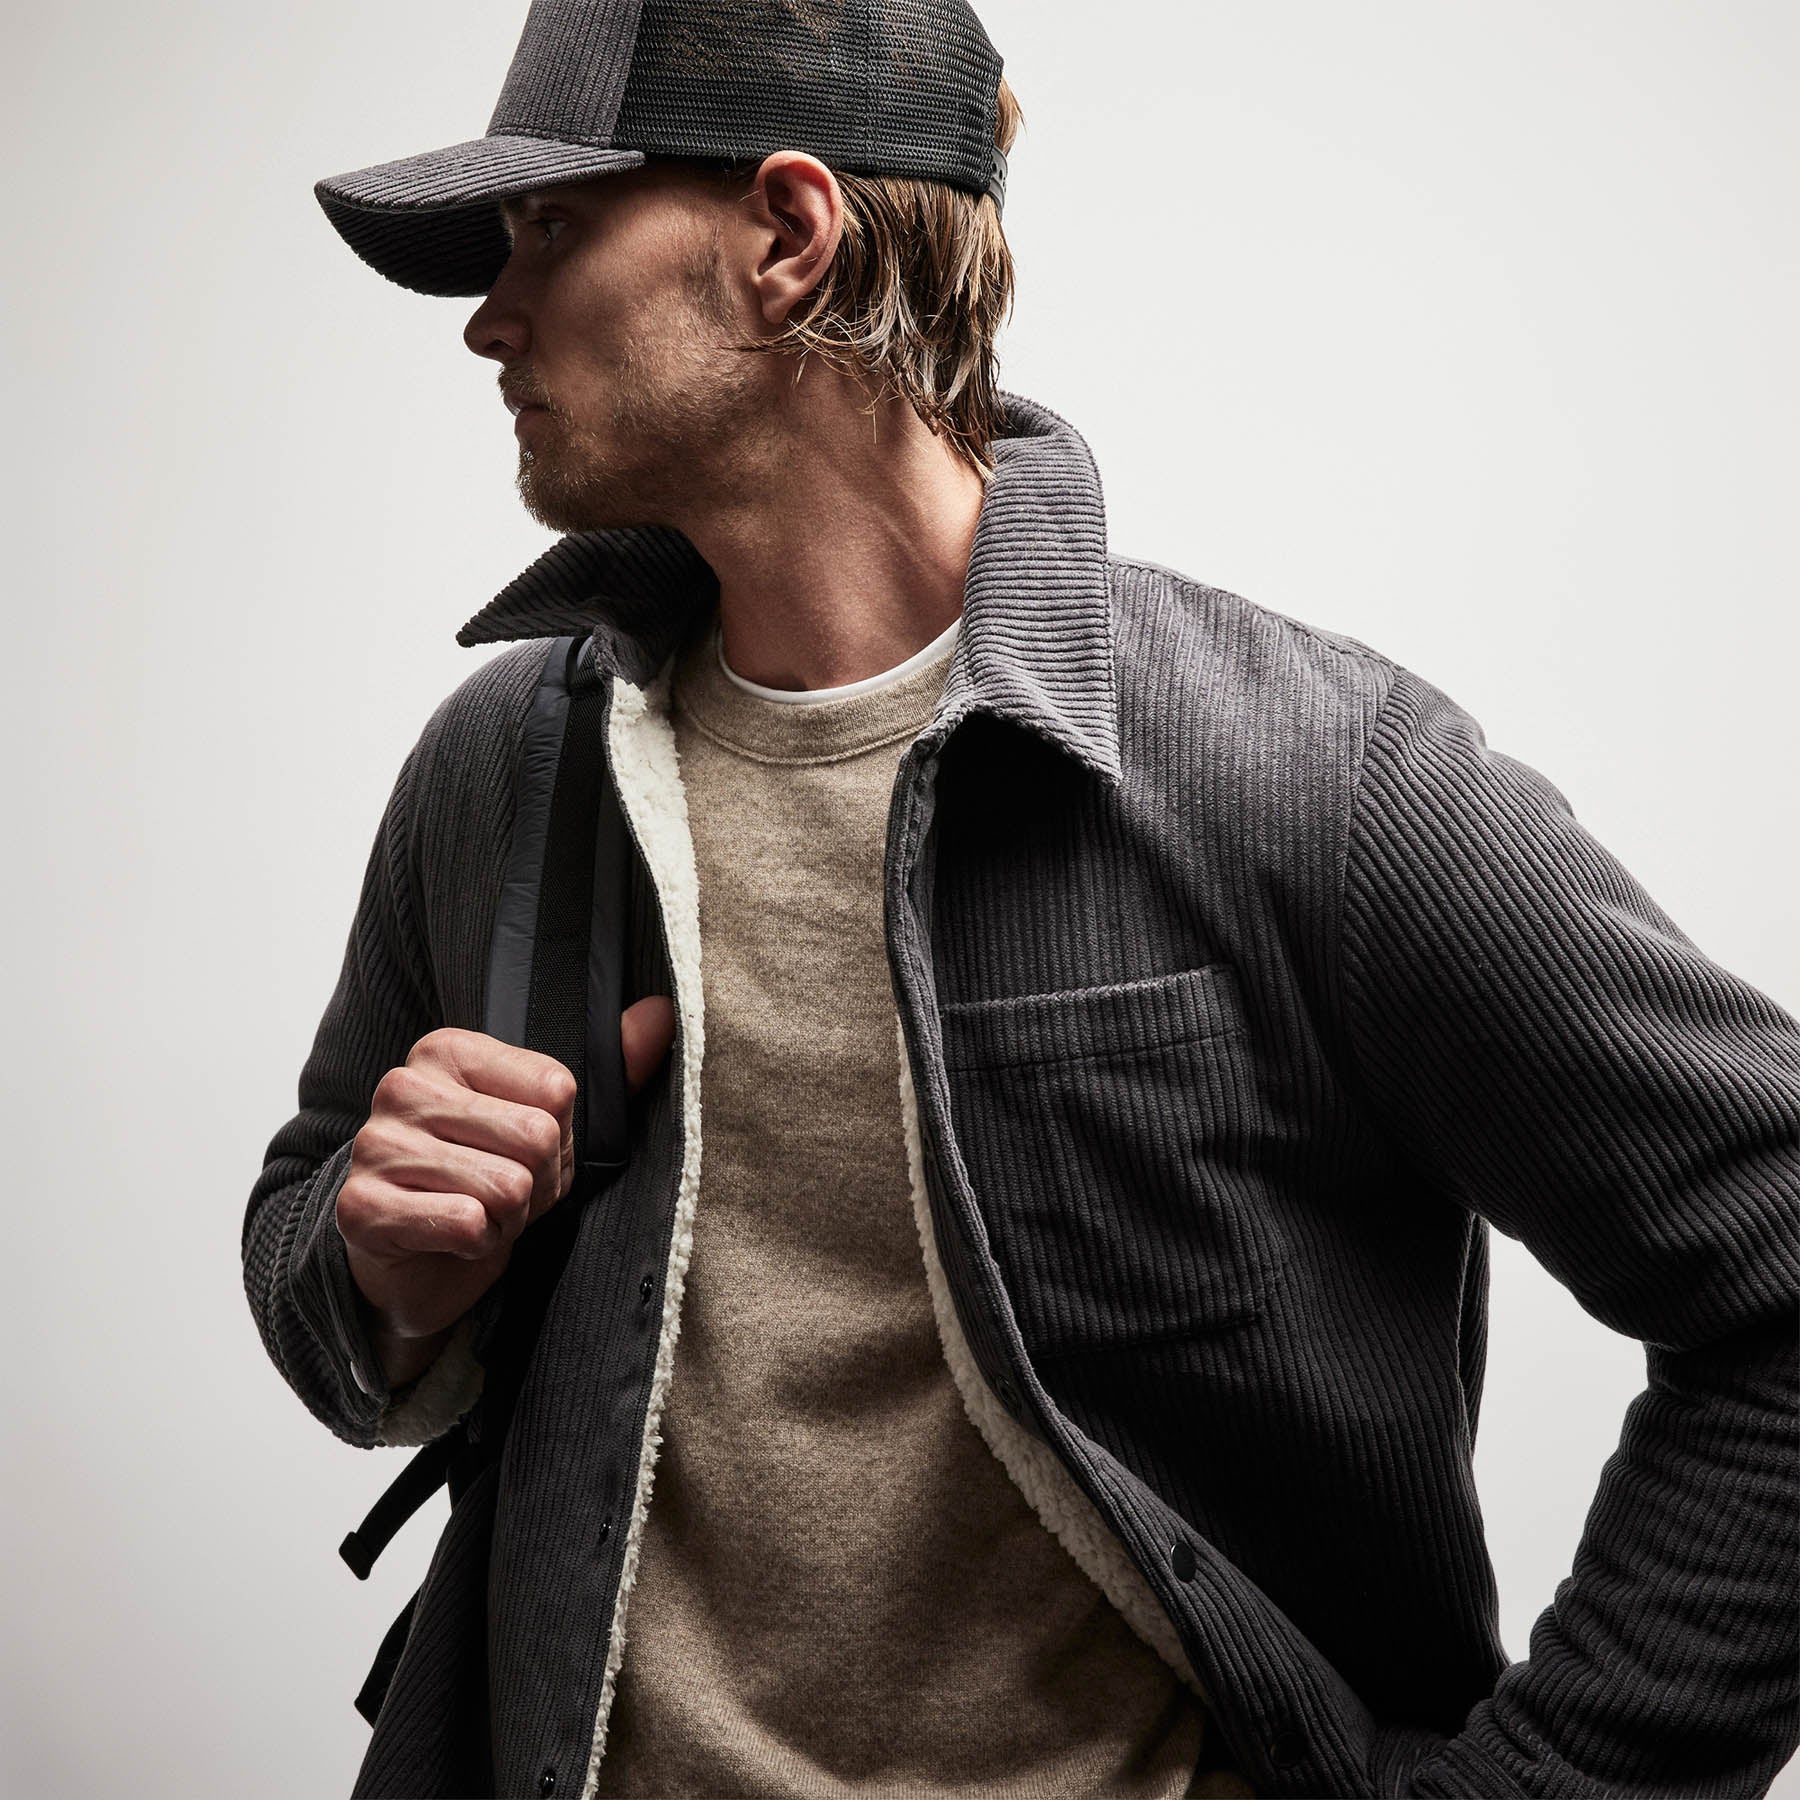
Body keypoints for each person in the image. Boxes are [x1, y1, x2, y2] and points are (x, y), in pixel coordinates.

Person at [244, 3, 1800, 1797]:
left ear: (788, 234)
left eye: (548, 230)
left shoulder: (1311, 777)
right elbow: (314, 1251)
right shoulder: (513, 766)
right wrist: (382, 1269)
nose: (488, 317)